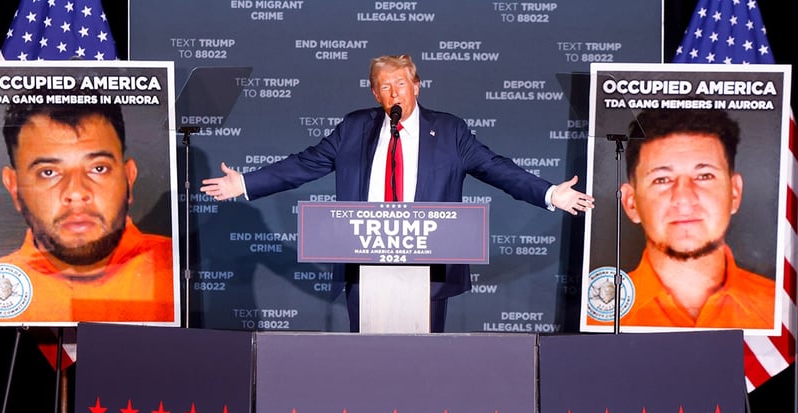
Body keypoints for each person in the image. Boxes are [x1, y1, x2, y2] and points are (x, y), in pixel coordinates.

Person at [201, 54, 595, 332]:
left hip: (428, 260)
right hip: (364, 257)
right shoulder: (354, 128)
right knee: (368, 357)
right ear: (375, 95)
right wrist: (245, 183)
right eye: (384, 87)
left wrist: (549, 194)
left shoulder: (451, 131)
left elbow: (496, 168)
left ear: (416, 86)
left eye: (400, 84)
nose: (394, 93)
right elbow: (304, 164)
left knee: (423, 361)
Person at [0, 89, 175, 323]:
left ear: (129, 177)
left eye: (98, 168)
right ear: (14, 187)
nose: (76, 193)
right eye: (49, 172)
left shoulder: (178, 270)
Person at [591, 106, 774, 329]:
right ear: (631, 203)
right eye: (662, 179)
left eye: (704, 176)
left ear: (734, 192)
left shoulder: (779, 310)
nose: (684, 198)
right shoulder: (598, 316)